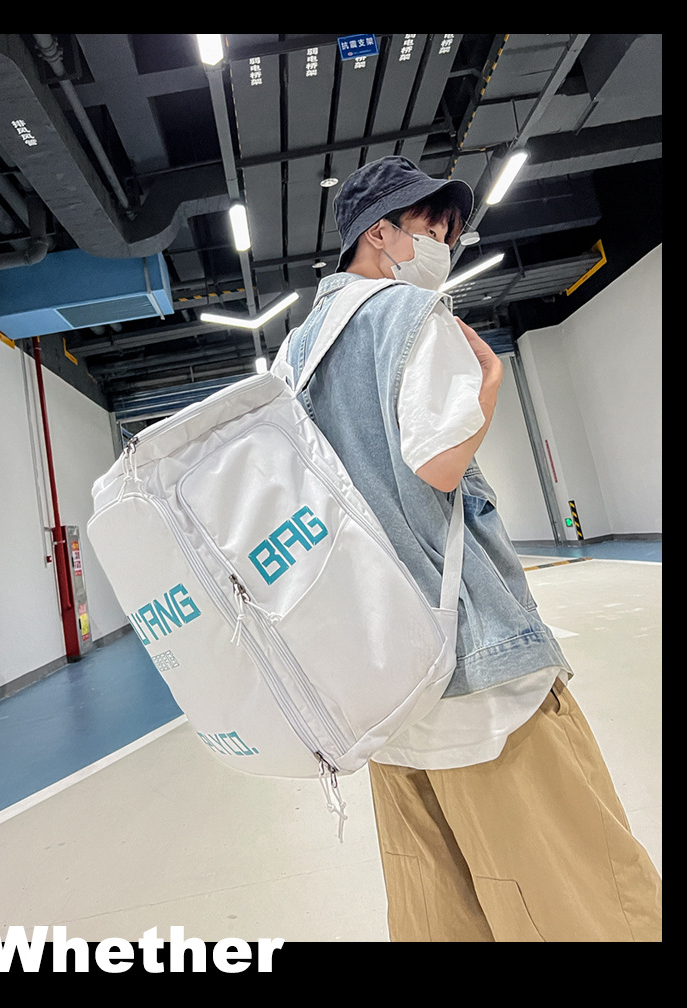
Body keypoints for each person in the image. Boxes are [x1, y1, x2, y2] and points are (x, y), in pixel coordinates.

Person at [281, 156, 662, 942]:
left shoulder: (296, 353)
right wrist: (487, 385)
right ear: (378, 234)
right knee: (585, 894)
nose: (445, 246)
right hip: (473, 664)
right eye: (431, 228)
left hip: (380, 678)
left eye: (452, 233)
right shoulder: (409, 315)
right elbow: (438, 465)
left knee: (439, 911)